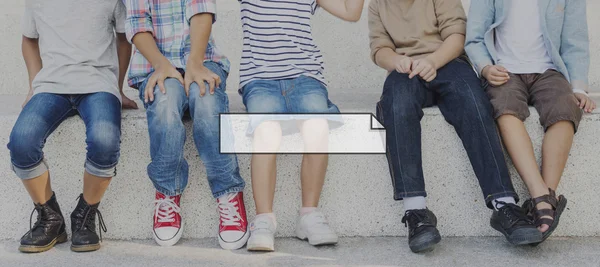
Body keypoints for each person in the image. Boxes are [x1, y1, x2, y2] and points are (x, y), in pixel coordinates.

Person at [368, 0, 542, 253]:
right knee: (397, 104)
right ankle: (416, 211)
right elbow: (379, 47)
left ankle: (503, 204)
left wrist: (432, 61)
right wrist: (396, 61)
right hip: (406, 70)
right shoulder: (378, 4)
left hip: (448, 62)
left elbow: (457, 36)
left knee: (473, 102)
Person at [237, 0, 364, 252]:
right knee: (266, 131)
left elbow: (352, 13)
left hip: (306, 79)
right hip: (260, 80)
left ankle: (309, 215)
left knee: (317, 127)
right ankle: (263, 220)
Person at [465, 0, 596, 244]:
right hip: (504, 70)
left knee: (566, 107)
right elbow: (474, 37)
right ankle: (540, 194)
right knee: (504, 107)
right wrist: (485, 68)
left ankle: (547, 195)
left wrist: (579, 87)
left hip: (549, 70)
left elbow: (575, 41)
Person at [8, 0, 133, 253]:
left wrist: (117, 87)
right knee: (21, 142)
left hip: (98, 85)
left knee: (104, 141)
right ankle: (51, 219)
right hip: (51, 86)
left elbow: (124, 39)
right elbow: (29, 40)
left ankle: (85, 215)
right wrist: (34, 85)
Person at [125, 0, 248, 249]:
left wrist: (194, 63)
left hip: (201, 58)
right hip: (156, 64)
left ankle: (228, 191)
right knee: (164, 105)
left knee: (206, 103)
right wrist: (162, 65)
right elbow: (138, 25)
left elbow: (201, 11)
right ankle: (167, 193)